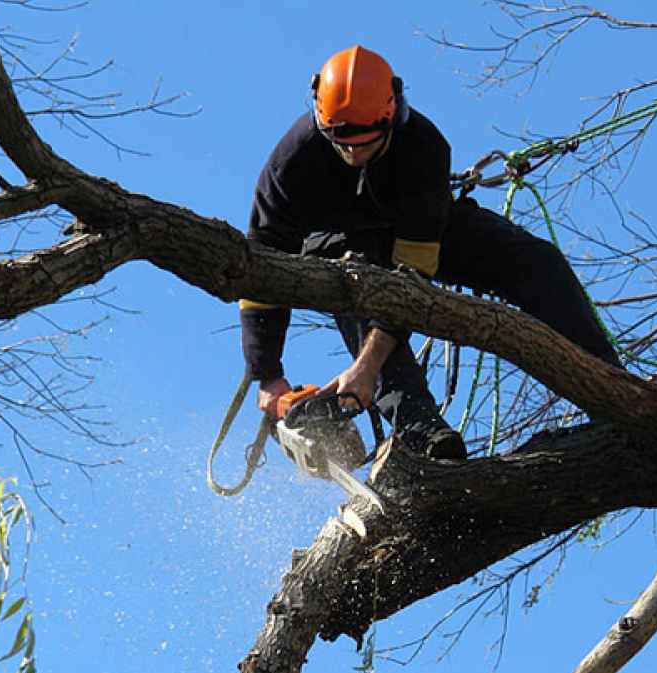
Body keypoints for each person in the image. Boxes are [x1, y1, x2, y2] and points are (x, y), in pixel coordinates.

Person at [240, 46, 632, 460]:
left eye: (365, 141)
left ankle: (617, 390)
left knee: (536, 263)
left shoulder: (423, 149)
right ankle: (423, 431)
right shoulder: (291, 165)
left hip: (415, 231)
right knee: (354, 286)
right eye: (342, 140)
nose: (353, 152)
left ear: (390, 114)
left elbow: (411, 278)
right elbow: (261, 266)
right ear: (322, 115)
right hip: (337, 244)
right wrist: (267, 374)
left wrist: (367, 368)